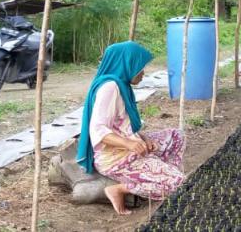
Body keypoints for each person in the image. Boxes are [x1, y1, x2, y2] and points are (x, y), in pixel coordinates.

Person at [77, 41, 186, 215]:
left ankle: (158, 175)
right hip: (114, 157)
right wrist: (129, 144)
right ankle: (121, 189)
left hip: (126, 146)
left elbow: (123, 126)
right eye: (139, 67)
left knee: (176, 136)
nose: (143, 73)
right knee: (180, 184)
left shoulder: (122, 85)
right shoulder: (109, 88)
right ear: (126, 64)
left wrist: (143, 139)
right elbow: (98, 130)